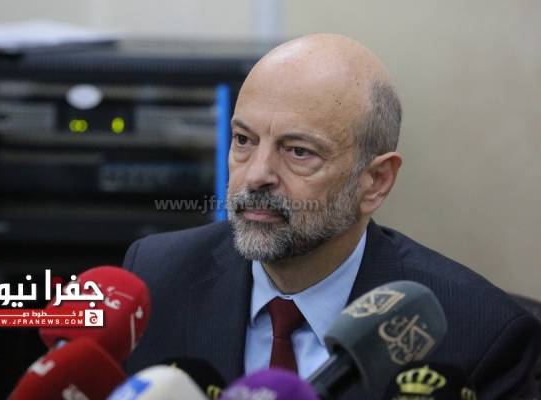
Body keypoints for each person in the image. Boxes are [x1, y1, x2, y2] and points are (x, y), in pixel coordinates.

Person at [123, 33, 540, 399]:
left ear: (375, 181)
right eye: (244, 140)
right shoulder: (155, 277)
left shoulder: (482, 335)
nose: (256, 175)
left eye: (298, 151)